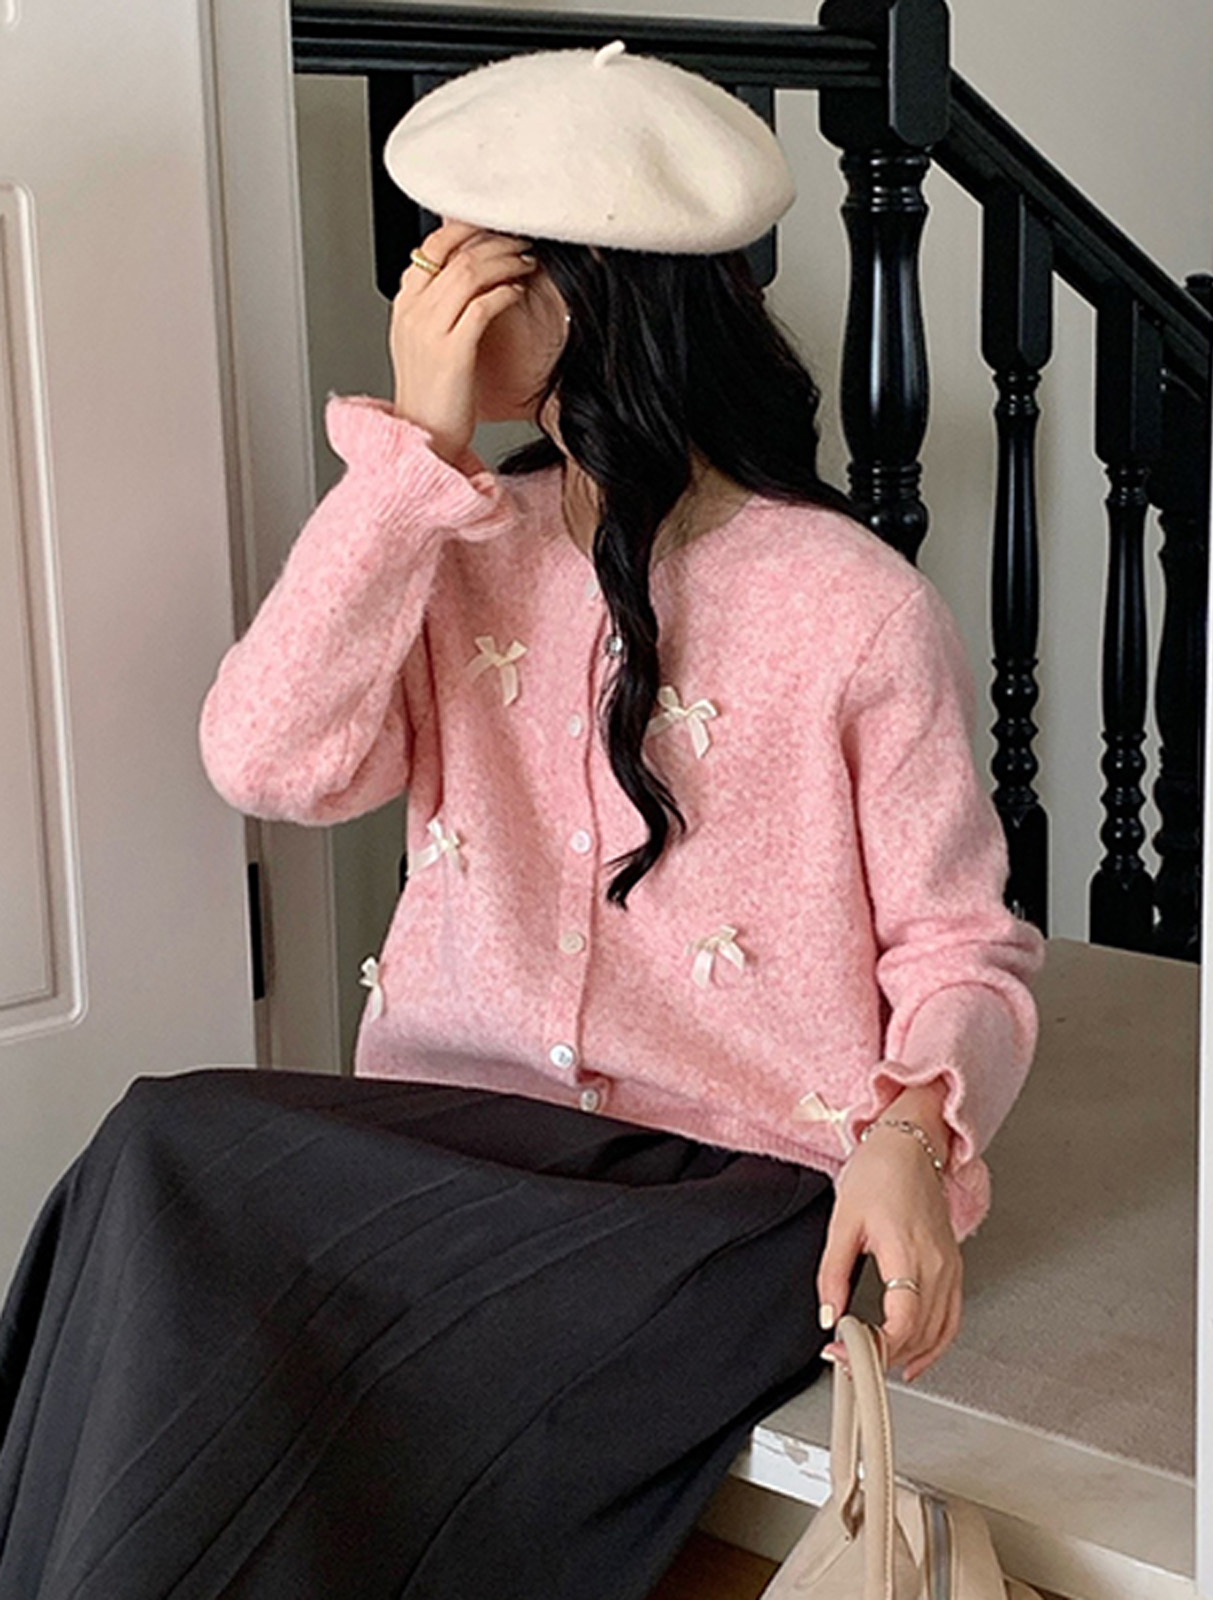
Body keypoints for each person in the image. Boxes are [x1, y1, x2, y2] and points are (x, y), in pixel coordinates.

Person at [0, 41, 1044, 1600]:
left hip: (729, 1191)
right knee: (164, 1160)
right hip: (475, 1147)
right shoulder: (452, 543)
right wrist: (409, 464)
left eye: (464, 258)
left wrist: (909, 1137)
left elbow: (967, 948)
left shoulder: (849, 606)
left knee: (260, 1357)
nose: (420, 289)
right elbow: (268, 759)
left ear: (586, 295)